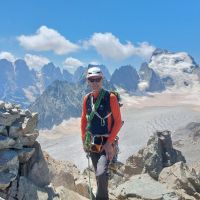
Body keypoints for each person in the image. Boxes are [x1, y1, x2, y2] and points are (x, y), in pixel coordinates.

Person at [81, 66, 122, 200]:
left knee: (101, 172)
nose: (95, 82)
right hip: (94, 143)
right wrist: (84, 141)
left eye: (97, 79)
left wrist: (110, 143)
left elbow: (118, 121)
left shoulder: (111, 98)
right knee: (98, 173)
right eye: (91, 80)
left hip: (107, 143)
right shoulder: (87, 99)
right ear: (88, 81)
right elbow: (83, 121)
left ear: (102, 79)